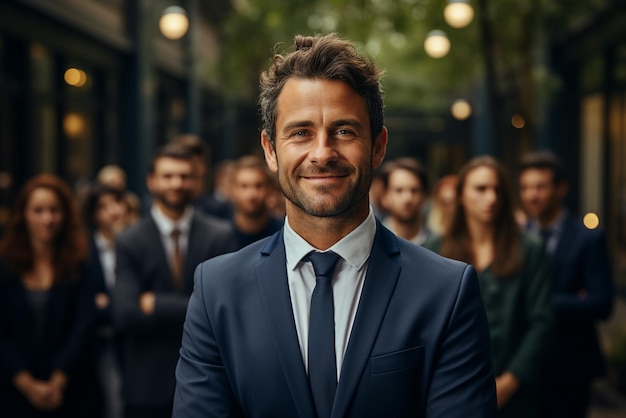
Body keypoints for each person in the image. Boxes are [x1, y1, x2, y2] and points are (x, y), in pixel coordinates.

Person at [173, 33, 496, 418]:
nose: (322, 153)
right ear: (270, 150)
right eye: (300, 133)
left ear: (378, 147)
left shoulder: (447, 291)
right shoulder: (217, 291)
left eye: (344, 131)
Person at [424, 156, 553, 417]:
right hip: (451, 389)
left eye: (497, 190)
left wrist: (511, 380)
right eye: (481, 189)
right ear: (461, 196)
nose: (491, 198)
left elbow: (542, 321)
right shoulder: (434, 250)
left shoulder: (529, 249)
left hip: (515, 390)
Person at [114, 143, 236, 418]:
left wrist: (155, 304)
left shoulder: (220, 235)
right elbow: (124, 314)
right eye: (168, 176)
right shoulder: (129, 239)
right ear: (151, 181)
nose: (177, 183)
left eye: (185, 176)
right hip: (147, 385)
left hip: (208, 381)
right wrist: (195, 307)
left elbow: (225, 311)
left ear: (197, 180)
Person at [518, 150, 614, 418]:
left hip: (571, 364)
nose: (531, 195)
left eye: (540, 187)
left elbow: (602, 303)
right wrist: (573, 298)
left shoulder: (588, 238)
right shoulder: (517, 237)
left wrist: (541, 303)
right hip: (525, 364)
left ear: (561, 189)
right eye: (525, 187)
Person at [0, 174, 100, 417]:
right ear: (23, 214)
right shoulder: (5, 265)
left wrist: (58, 380)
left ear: (65, 214)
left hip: (72, 390)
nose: (47, 219)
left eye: (54, 210)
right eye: (38, 210)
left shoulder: (81, 263)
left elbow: (84, 325)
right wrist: (26, 383)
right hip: (13, 390)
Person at [83, 182, 128, 418]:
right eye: (103, 206)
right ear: (92, 214)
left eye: (117, 202)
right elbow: (87, 308)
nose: (113, 210)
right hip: (98, 343)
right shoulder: (84, 251)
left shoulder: (135, 243)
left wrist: (108, 303)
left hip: (131, 338)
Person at [228, 154, 283, 250]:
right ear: (232, 190)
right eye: (244, 186)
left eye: (258, 186)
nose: (252, 194)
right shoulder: (220, 236)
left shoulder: (283, 233)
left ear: (269, 189)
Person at [380, 157, 430, 245]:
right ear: (385, 196)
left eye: (414, 190)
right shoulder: (373, 242)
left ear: (424, 196)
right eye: (399, 190)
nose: (407, 198)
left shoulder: (438, 244)